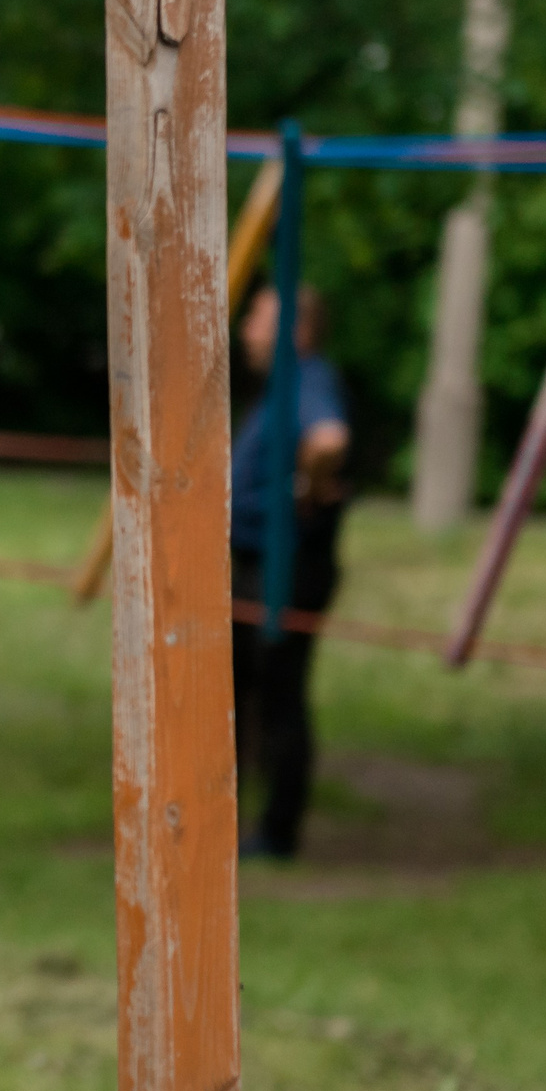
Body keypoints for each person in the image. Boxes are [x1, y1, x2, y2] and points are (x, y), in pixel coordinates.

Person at [229, 283, 350, 861]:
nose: (247, 330)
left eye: (260, 319)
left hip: (286, 565)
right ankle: (228, 816)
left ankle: (278, 834)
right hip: (257, 562)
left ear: (297, 331)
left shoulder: (308, 381)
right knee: (238, 690)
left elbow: (329, 439)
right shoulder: (285, 386)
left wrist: (303, 486)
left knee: (279, 696)